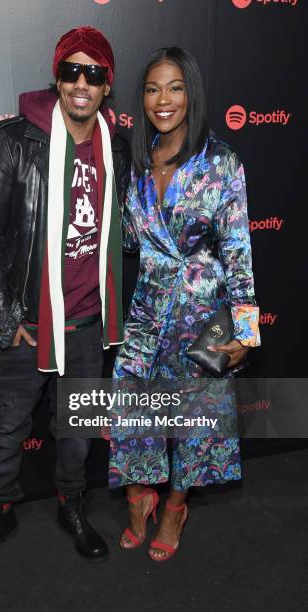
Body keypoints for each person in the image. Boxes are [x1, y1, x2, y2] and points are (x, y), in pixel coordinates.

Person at [0, 26, 130, 569]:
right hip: (29, 322)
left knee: (75, 434)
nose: (82, 82)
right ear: (57, 77)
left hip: (87, 323)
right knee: (6, 430)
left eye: (94, 73)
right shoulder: (15, 139)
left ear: (107, 84)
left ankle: (72, 507)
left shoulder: (116, 148)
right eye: (71, 70)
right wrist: (7, 320)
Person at [109, 47, 260, 562]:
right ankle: (139, 495)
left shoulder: (222, 163)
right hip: (148, 306)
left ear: (190, 93)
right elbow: (130, 239)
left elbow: (238, 250)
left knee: (197, 421)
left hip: (200, 309)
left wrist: (245, 331)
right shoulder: (135, 161)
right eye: (152, 89)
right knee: (132, 410)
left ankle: (175, 506)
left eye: (174, 87)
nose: (163, 99)